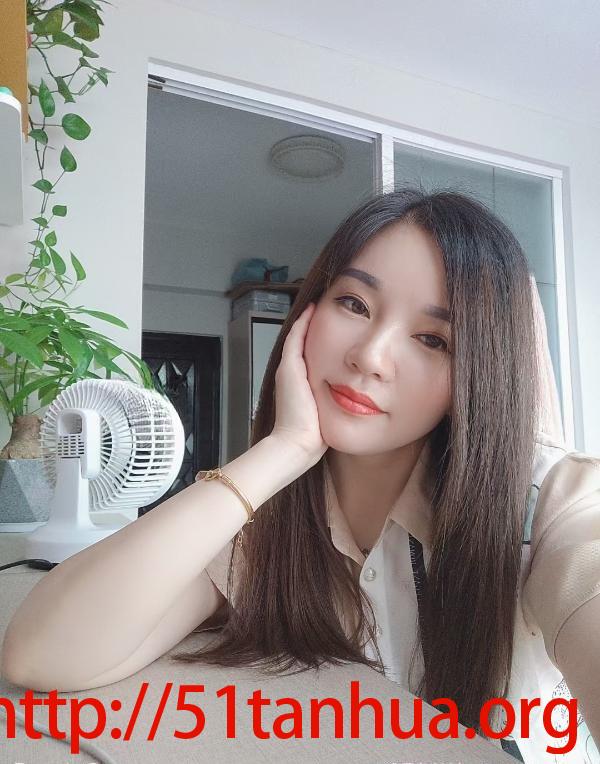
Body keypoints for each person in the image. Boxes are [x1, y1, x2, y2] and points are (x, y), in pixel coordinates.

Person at [2, 189, 599, 764]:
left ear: (481, 371)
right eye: (354, 304)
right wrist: (283, 450)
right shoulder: (267, 520)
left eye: (432, 339)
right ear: (307, 312)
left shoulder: (550, 503)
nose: (370, 356)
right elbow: (43, 655)